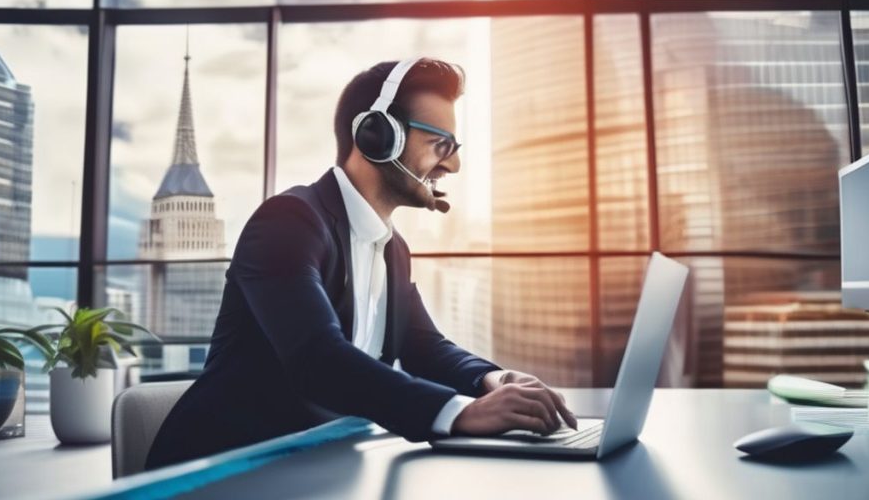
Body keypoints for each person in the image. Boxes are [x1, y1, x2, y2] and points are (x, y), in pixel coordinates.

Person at [145, 57, 576, 470]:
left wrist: (494, 381)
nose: (454, 164)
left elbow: (426, 347)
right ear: (376, 135)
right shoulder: (288, 222)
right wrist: (460, 413)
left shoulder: (394, 249)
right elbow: (317, 358)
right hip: (225, 470)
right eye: (439, 144)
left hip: (320, 466)